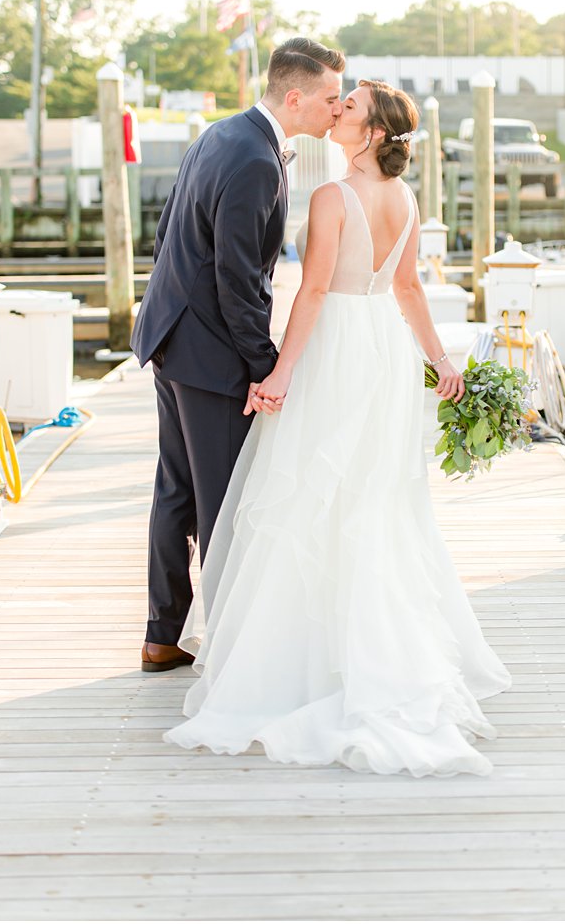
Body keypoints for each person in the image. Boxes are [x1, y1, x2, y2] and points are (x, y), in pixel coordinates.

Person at [166, 79, 512, 777]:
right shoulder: (406, 199)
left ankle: (310, 661)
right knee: (373, 498)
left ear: (374, 133)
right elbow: (409, 287)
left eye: (350, 107)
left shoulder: (333, 197)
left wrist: (281, 371)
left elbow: (316, 290)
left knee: (311, 494)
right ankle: (369, 654)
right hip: (382, 348)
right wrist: (440, 361)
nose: (338, 110)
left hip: (337, 350)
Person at [130, 38, 345, 672]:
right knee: (223, 499)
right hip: (210, 355)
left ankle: (162, 634)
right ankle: (227, 643)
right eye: (332, 98)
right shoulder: (254, 159)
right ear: (297, 96)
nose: (338, 109)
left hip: (171, 338)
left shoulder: (220, 134)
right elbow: (237, 280)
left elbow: (171, 232)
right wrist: (267, 368)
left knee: (176, 490)